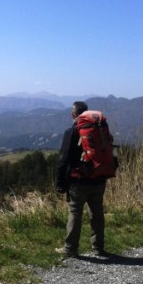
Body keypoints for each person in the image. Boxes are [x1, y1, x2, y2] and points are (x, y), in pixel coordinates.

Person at [55, 101, 108, 258]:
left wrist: (60, 183)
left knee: (75, 213)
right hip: (99, 178)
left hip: (78, 181)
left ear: (73, 115)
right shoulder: (100, 130)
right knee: (97, 213)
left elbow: (63, 160)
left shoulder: (72, 131)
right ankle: (98, 247)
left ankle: (70, 248)